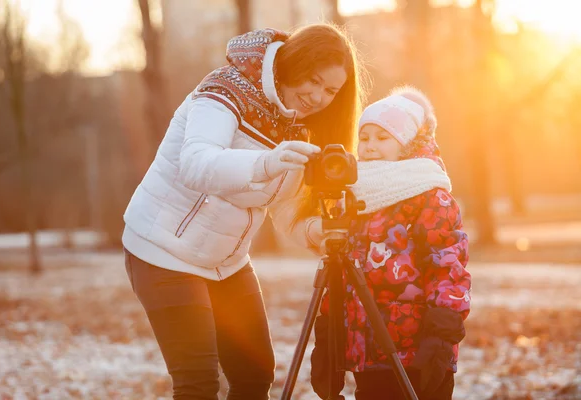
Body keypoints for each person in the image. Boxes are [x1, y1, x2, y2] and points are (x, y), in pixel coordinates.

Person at [122, 23, 369, 400]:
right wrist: (265, 163)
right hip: (162, 251)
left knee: (254, 376)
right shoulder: (224, 90)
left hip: (228, 262)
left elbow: (285, 205)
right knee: (198, 383)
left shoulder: (303, 127)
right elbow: (196, 164)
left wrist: (317, 232)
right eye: (314, 81)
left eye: (331, 90)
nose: (318, 96)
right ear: (294, 63)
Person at [310, 86, 472, 400]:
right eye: (365, 137)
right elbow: (341, 273)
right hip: (367, 352)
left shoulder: (430, 195)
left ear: (408, 144)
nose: (370, 147)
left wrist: (441, 335)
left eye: (383, 138)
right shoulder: (357, 198)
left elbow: (449, 268)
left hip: (419, 353)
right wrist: (329, 334)